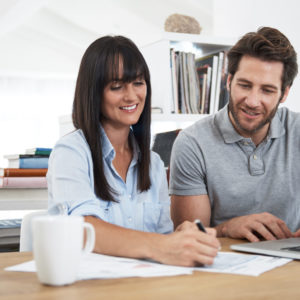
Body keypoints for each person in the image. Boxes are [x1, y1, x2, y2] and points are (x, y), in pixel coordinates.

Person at [47, 35, 219, 266]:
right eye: (116, 86)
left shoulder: (154, 163)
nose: (131, 96)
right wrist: (163, 246)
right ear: (94, 93)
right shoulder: (70, 152)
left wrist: (184, 236)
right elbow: (82, 230)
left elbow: (163, 237)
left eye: (138, 83)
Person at [170, 27, 300, 243]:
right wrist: (227, 228)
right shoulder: (192, 143)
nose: (252, 101)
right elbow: (189, 237)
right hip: (222, 268)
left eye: (267, 90)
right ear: (229, 81)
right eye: (245, 85)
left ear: (284, 93)